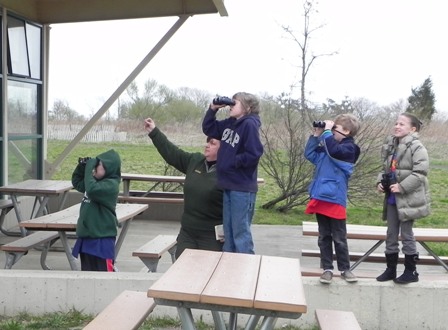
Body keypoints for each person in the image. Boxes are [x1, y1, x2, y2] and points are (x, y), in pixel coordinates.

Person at [144, 118, 223, 259]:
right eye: (207, 142)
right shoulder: (195, 161)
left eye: (212, 143)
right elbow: (172, 154)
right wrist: (154, 132)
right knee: (182, 273)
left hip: (212, 237)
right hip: (188, 233)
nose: (207, 145)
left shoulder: (229, 173)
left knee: (207, 275)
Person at [202, 92, 263, 254]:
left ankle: (245, 269)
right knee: (228, 233)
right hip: (228, 184)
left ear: (247, 108)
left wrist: (232, 162)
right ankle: (228, 269)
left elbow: (254, 153)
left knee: (240, 233)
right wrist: (213, 109)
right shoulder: (230, 123)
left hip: (242, 187)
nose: (230, 106)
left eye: (234, 104)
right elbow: (209, 128)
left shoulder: (249, 124)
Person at [304, 114, 361, 284]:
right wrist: (316, 136)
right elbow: (309, 154)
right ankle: (327, 268)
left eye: (335, 128)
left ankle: (345, 269)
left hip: (335, 199)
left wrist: (327, 133)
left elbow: (335, 152)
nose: (331, 131)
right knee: (324, 236)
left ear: (347, 131)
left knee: (339, 237)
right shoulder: (327, 146)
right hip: (321, 196)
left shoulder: (350, 149)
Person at [376, 113, 430, 284]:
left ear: (412, 129)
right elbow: (385, 168)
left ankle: (410, 271)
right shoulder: (391, 146)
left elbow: (420, 173)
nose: (397, 126)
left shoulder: (417, 147)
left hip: (408, 198)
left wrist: (402, 186)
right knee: (391, 233)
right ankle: (390, 269)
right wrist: (380, 182)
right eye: (396, 123)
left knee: (406, 234)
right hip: (392, 198)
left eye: (402, 124)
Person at [71, 149, 122, 271]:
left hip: (102, 239)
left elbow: (92, 189)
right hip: (88, 237)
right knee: (88, 277)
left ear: (108, 169)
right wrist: (82, 167)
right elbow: (77, 182)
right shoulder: (93, 183)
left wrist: (89, 168)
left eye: (99, 166)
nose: (95, 168)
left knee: (104, 276)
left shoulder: (111, 185)